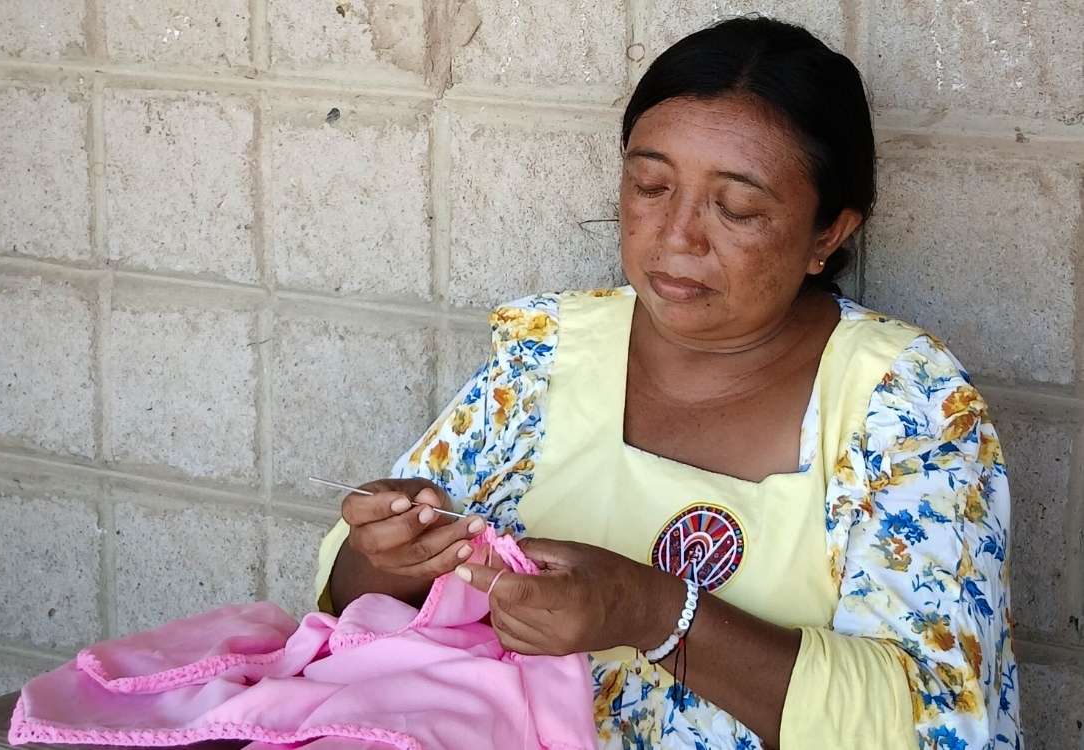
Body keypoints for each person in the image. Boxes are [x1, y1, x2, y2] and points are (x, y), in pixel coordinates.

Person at [314, 16, 1020, 750]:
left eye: (736, 208)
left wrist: (656, 615)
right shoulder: (545, 360)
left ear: (827, 234)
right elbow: (353, 603)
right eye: (651, 186)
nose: (677, 235)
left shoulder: (904, 403)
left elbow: (936, 722)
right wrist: (386, 551)